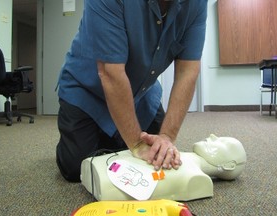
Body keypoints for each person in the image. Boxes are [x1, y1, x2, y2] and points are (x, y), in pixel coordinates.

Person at [56, 0, 208, 182]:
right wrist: (136, 144)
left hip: (141, 94)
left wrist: (167, 136)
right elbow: (110, 73)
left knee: (160, 154)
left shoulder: (197, 3)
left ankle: (116, 137)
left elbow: (188, 71)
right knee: (77, 169)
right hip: (86, 89)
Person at [81, 134, 247, 201]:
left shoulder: (198, 178)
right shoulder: (178, 153)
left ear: (229, 165)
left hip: (111, 180)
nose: (212, 136)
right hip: (108, 164)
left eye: (222, 142)